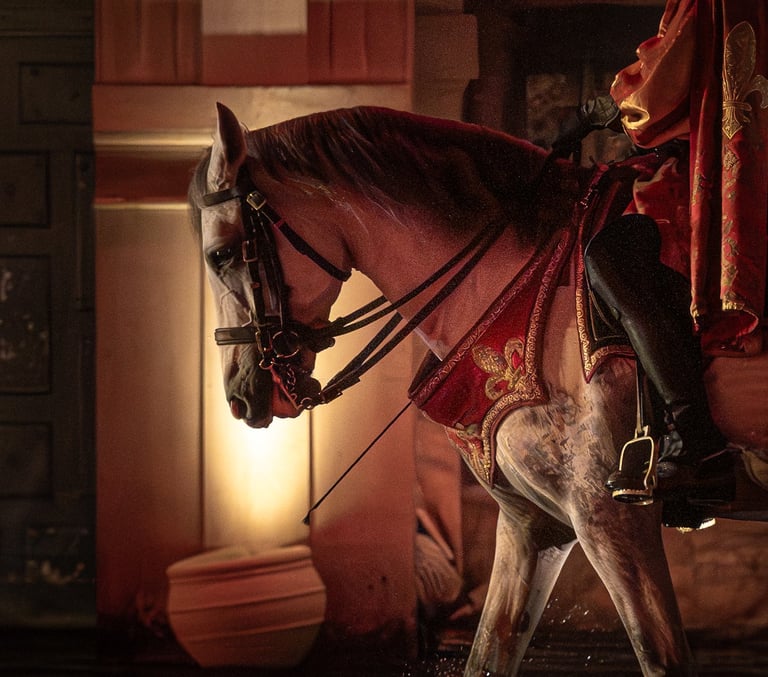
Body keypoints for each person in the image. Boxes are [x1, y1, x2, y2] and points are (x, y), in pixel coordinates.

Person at [584, 0, 768, 509]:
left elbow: (658, 92)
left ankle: (695, 441)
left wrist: (607, 106)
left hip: (739, 166)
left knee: (614, 257)